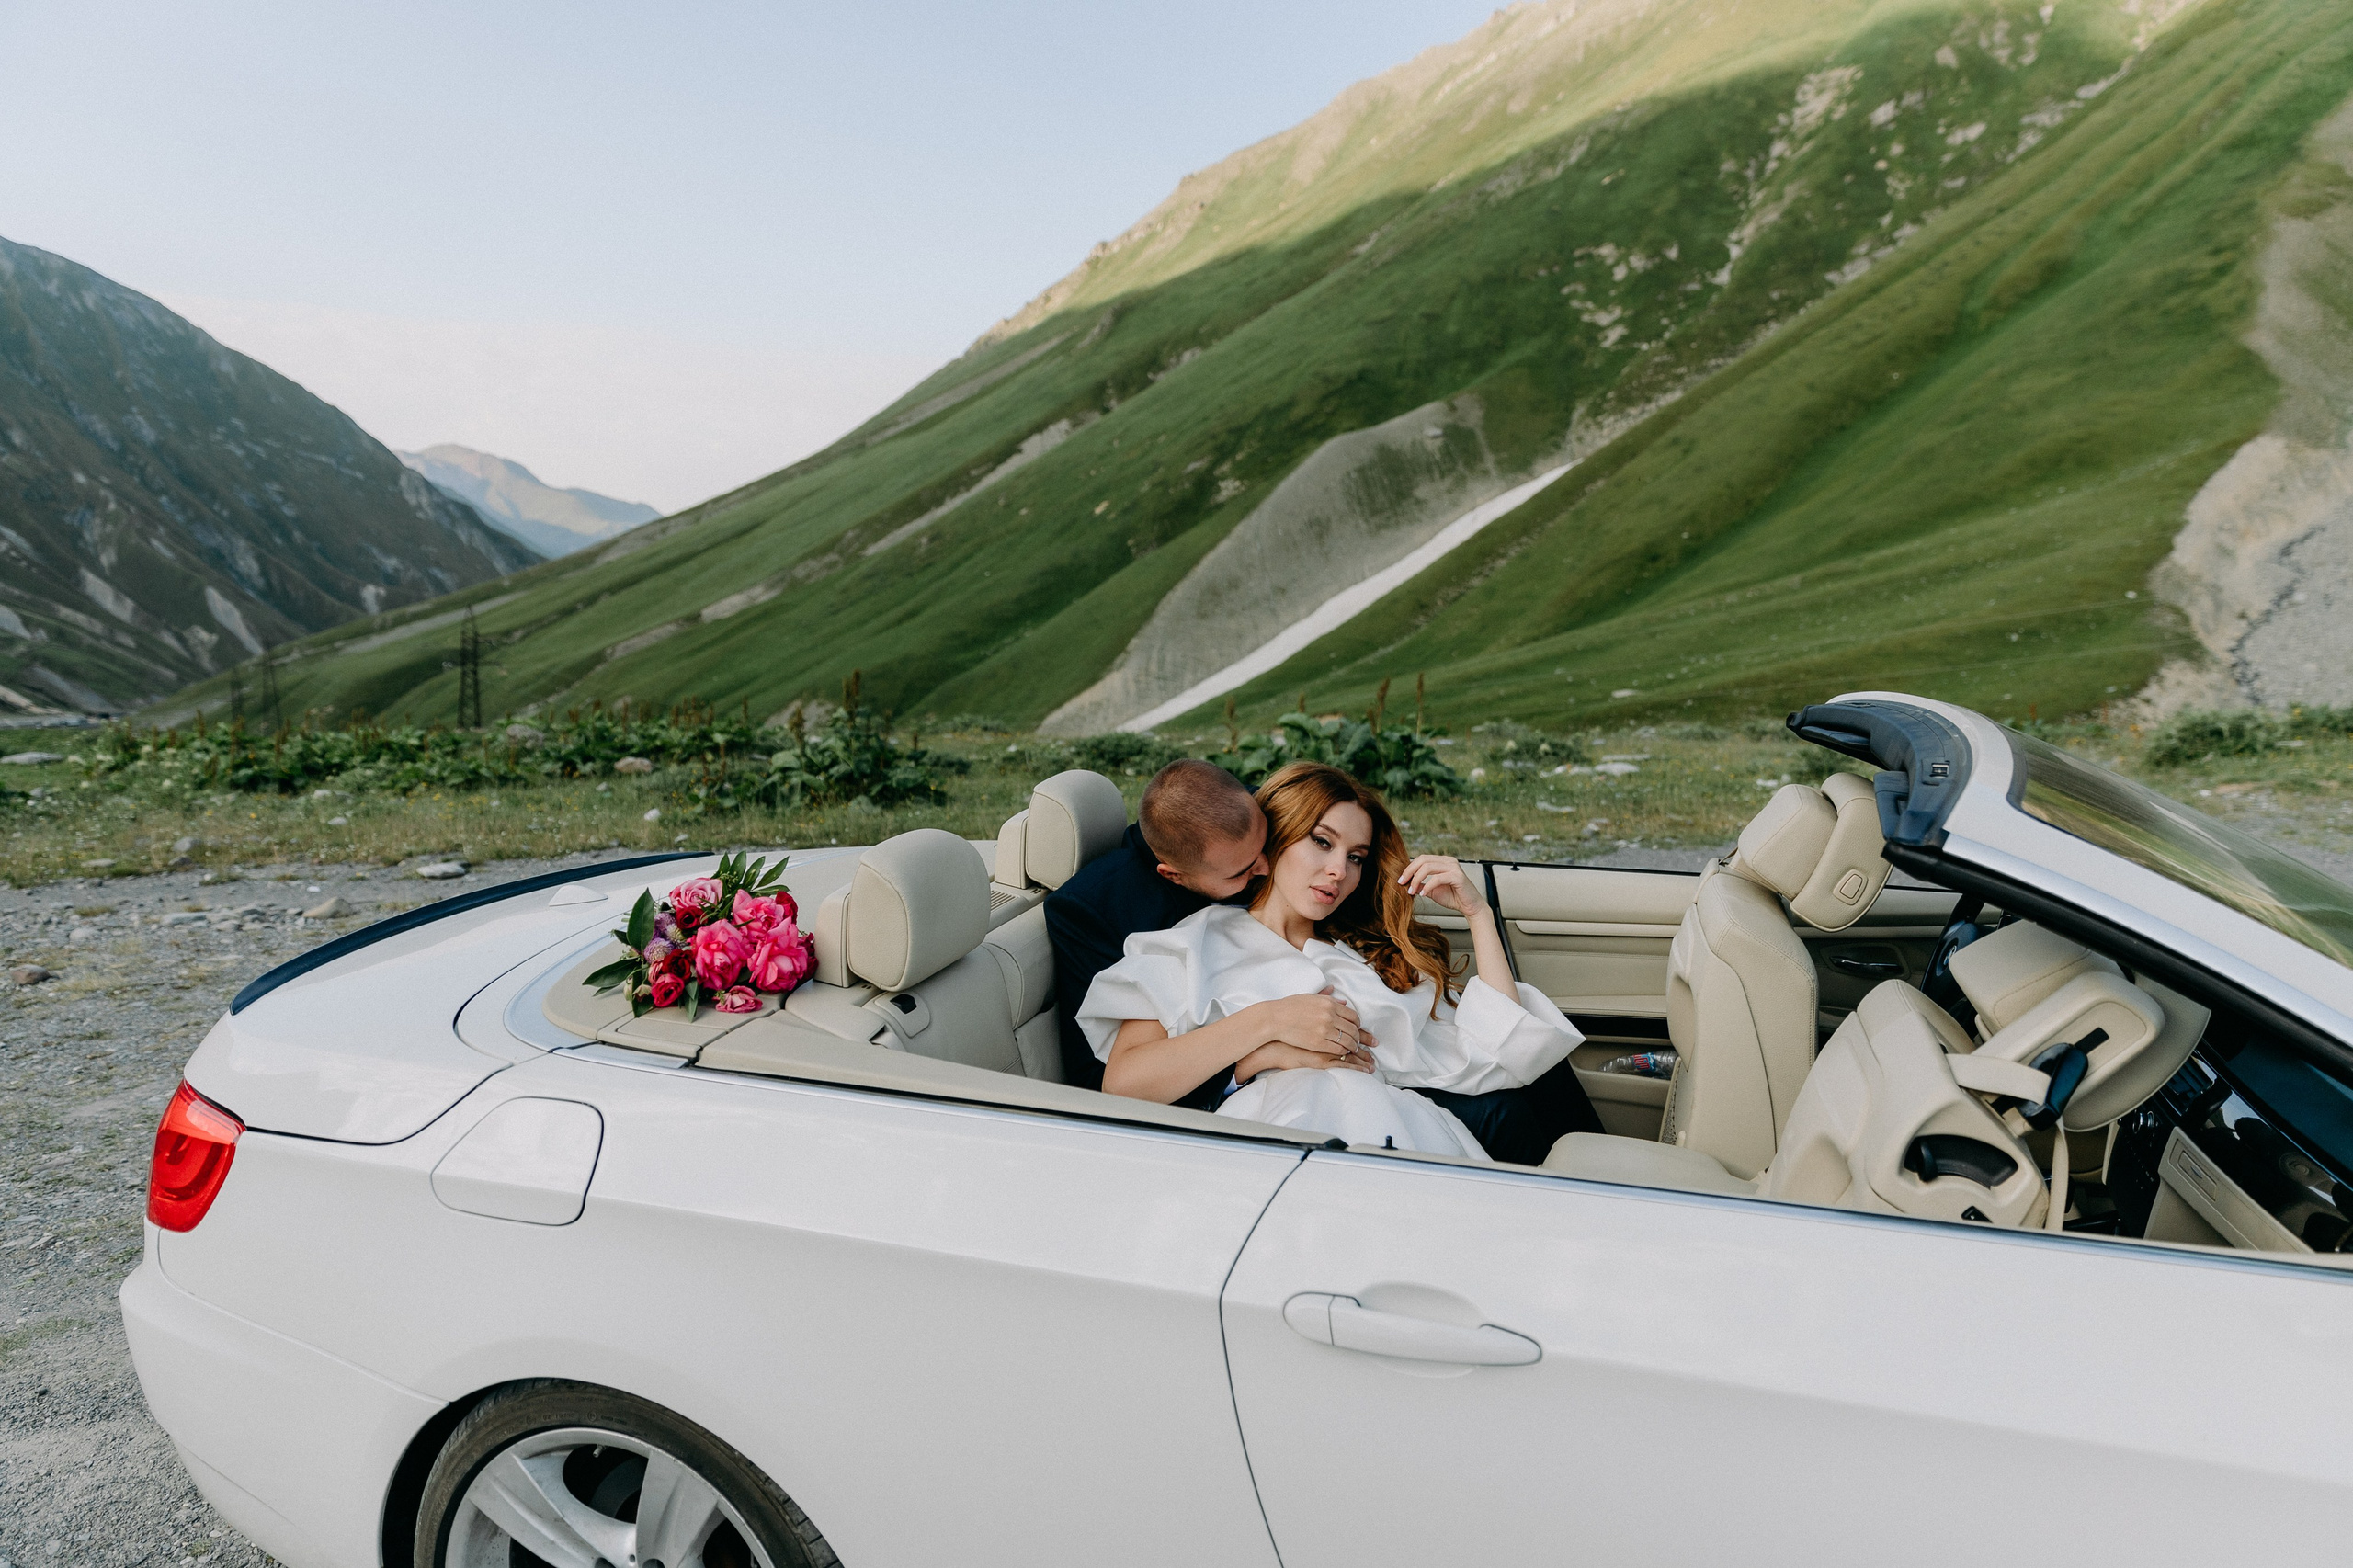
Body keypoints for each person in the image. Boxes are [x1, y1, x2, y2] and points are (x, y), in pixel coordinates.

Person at [1075, 760, 1602, 1160]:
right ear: (1275, 839)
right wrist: (1268, 1028)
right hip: (1301, 1133)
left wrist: (1477, 913)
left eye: (1355, 857)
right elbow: (1124, 1083)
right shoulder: (1185, 946)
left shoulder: (1363, 946)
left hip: (1411, 1111)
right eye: (1321, 843)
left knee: (1522, 1100)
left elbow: (1506, 1045)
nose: (1338, 872)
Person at [1044, 758, 1279, 1096]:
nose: (1268, 868)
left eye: (1265, 844)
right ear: (1172, 874)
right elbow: (1097, 1075)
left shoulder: (1266, 809)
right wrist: (1251, 1061)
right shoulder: (1094, 911)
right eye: (1241, 871)